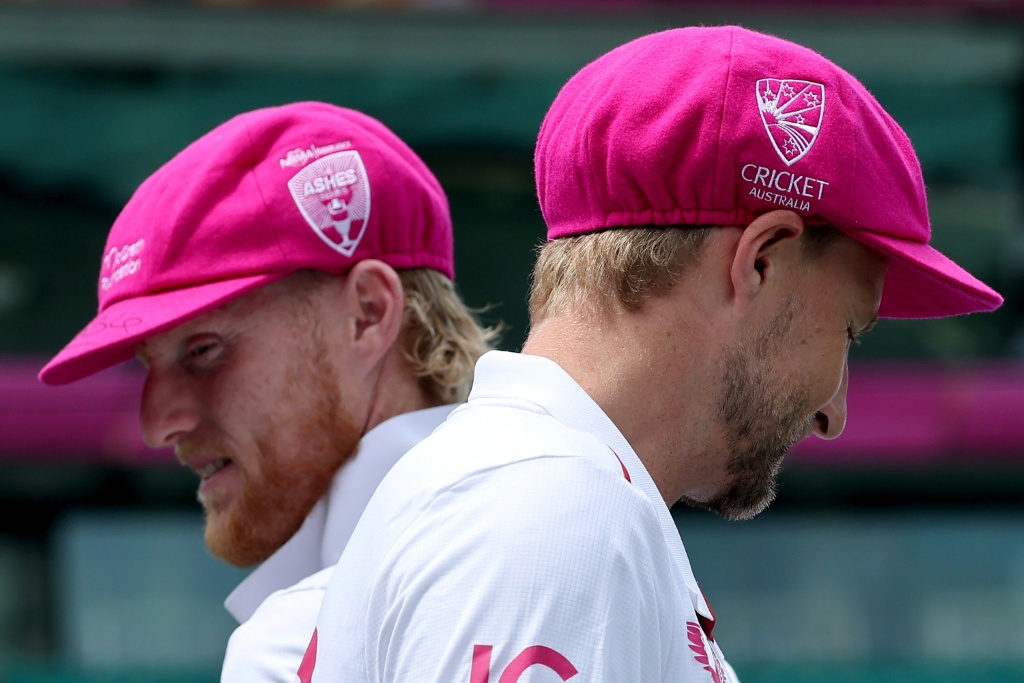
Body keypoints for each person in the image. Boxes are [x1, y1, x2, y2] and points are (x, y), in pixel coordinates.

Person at [301, 27, 1003, 682]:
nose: (836, 411)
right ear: (760, 261)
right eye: (847, 332)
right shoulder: (549, 512)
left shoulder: (530, 491)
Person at [37, 102, 496, 682]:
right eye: (144, 363)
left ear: (367, 314)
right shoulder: (570, 516)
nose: (157, 423)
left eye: (204, 350)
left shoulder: (296, 647)